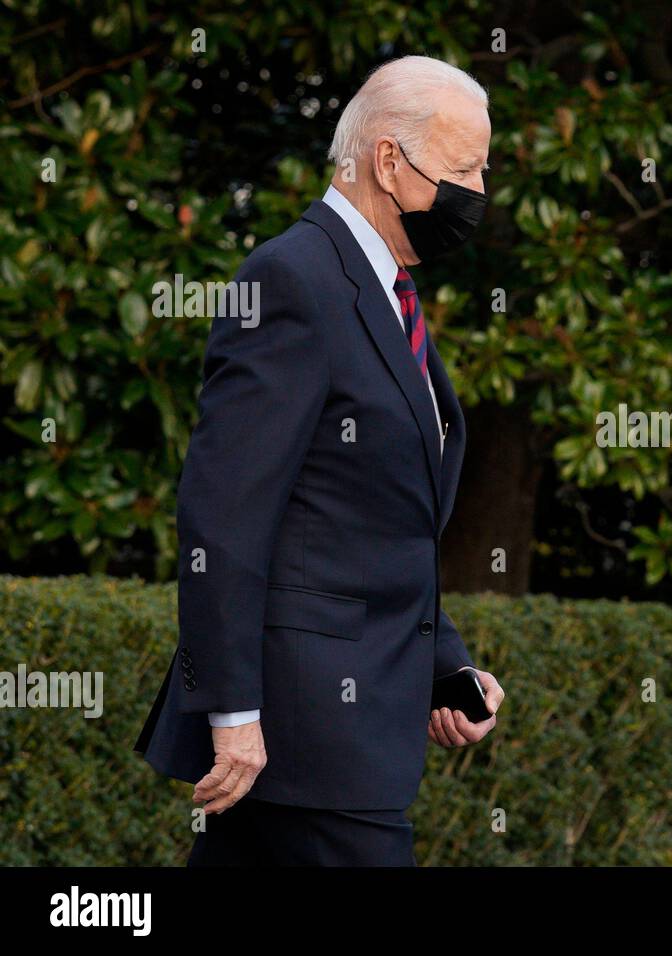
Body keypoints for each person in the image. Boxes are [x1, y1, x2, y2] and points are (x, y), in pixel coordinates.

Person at [135, 55, 505, 866]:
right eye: (465, 168)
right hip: (306, 736)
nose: (479, 191)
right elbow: (224, 514)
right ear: (386, 161)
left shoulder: (382, 292)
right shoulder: (292, 279)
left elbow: (363, 524)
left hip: (343, 733)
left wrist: (447, 668)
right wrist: (230, 713)